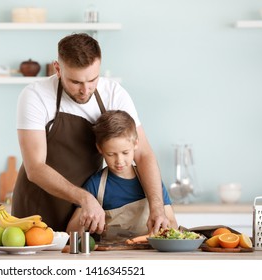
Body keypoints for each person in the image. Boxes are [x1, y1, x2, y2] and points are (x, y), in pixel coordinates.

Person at [11, 33, 170, 234]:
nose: (85, 90)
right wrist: (85, 198)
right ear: (58, 69)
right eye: (76, 82)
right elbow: (35, 168)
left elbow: (143, 153)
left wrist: (157, 208)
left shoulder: (114, 94)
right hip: (36, 212)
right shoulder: (35, 96)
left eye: (93, 79)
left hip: (84, 215)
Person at [66, 110, 178, 237]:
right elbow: (71, 231)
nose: (119, 161)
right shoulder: (95, 185)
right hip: (111, 255)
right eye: (111, 154)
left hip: (149, 253)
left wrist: (165, 228)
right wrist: (84, 222)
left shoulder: (152, 182)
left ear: (136, 144)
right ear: (100, 149)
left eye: (125, 152)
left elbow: (172, 221)